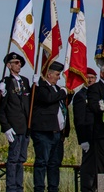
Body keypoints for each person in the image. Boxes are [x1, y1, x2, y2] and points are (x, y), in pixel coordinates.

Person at [32, 61, 69, 192]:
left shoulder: (57, 89)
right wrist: (63, 92)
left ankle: (53, 188)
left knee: (54, 164)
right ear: (49, 74)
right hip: (44, 132)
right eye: (57, 74)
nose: (59, 77)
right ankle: (39, 188)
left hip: (57, 133)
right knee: (42, 162)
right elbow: (48, 98)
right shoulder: (40, 87)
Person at [0, 52, 32, 192]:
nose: (19, 65)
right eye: (16, 63)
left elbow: (28, 103)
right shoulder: (5, 82)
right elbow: (0, 109)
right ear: (9, 65)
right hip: (13, 127)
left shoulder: (25, 81)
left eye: (19, 63)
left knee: (21, 159)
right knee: (13, 159)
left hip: (25, 127)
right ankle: (11, 188)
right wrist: (6, 127)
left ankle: (19, 187)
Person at [72, 68, 99, 192]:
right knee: (88, 167)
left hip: (98, 135)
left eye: (92, 77)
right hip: (87, 136)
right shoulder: (80, 96)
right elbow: (79, 120)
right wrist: (82, 139)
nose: (90, 80)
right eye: (87, 77)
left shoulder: (97, 93)